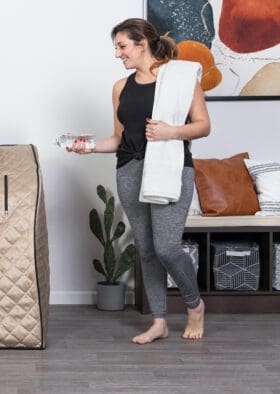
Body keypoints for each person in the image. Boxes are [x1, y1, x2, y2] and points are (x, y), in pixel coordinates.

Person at [69, 18, 210, 344]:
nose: (118, 54)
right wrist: (88, 146)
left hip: (172, 168)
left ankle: (195, 304)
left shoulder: (181, 78)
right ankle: (159, 321)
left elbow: (203, 126)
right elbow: (120, 139)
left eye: (122, 46)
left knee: (167, 247)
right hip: (130, 169)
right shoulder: (121, 87)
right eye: (116, 47)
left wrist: (171, 131)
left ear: (142, 43)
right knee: (146, 250)